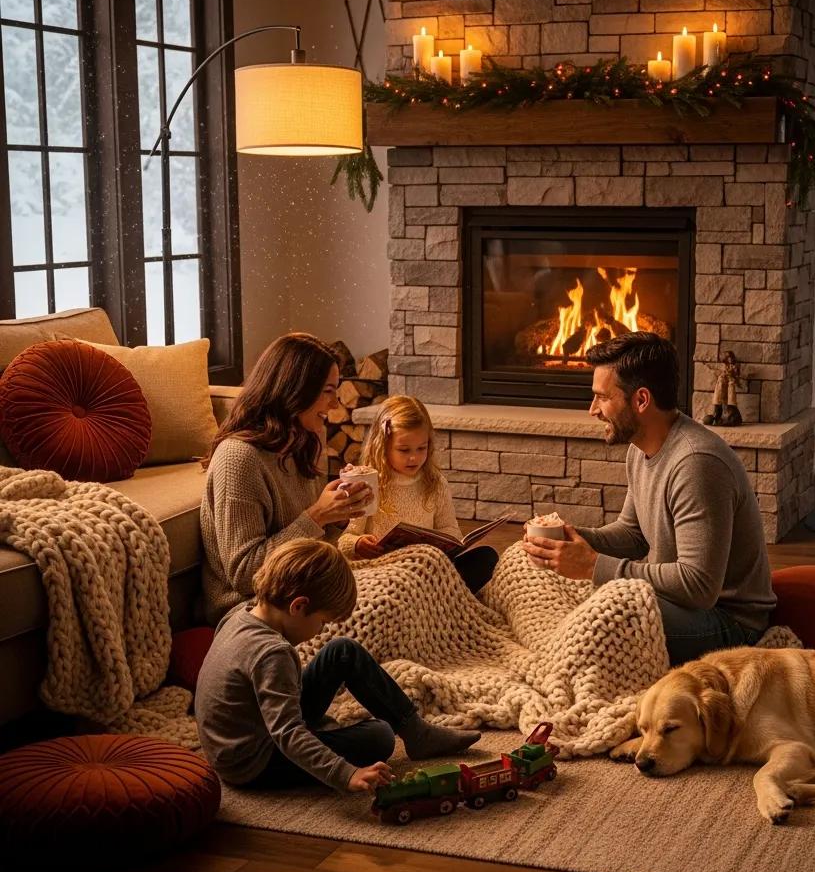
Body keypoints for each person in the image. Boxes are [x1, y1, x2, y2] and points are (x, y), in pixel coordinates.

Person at [522, 331, 776, 665]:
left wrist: (593, 566)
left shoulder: (696, 464)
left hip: (726, 622)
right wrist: (570, 540)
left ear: (641, 400)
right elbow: (633, 535)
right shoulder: (640, 448)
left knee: (609, 613)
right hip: (676, 601)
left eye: (602, 397)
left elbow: (699, 586)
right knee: (525, 565)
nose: (592, 410)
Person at [195, 538, 481, 794]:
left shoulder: (238, 616)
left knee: (342, 650)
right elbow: (288, 733)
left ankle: (417, 733)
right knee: (379, 736)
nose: (320, 632)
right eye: (322, 622)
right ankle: (406, 732)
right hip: (253, 762)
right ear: (298, 606)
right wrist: (346, 774)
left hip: (237, 741)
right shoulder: (273, 653)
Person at [200, 332, 373, 625]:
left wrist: (337, 519)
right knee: (382, 602)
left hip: (304, 589)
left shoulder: (298, 446)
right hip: (256, 608)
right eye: (328, 391)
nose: (334, 404)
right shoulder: (238, 459)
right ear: (297, 389)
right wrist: (317, 516)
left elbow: (308, 549)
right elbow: (244, 574)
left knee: (421, 565)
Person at [339, 395, 498, 594]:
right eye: (404, 450)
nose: (414, 457)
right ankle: (434, 597)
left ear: (429, 445)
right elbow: (345, 540)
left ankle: (428, 595)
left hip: (426, 570)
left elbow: (450, 529)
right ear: (383, 446)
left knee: (486, 557)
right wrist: (358, 544)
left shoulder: (435, 483)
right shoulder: (370, 484)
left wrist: (446, 545)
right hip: (384, 572)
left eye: (421, 448)